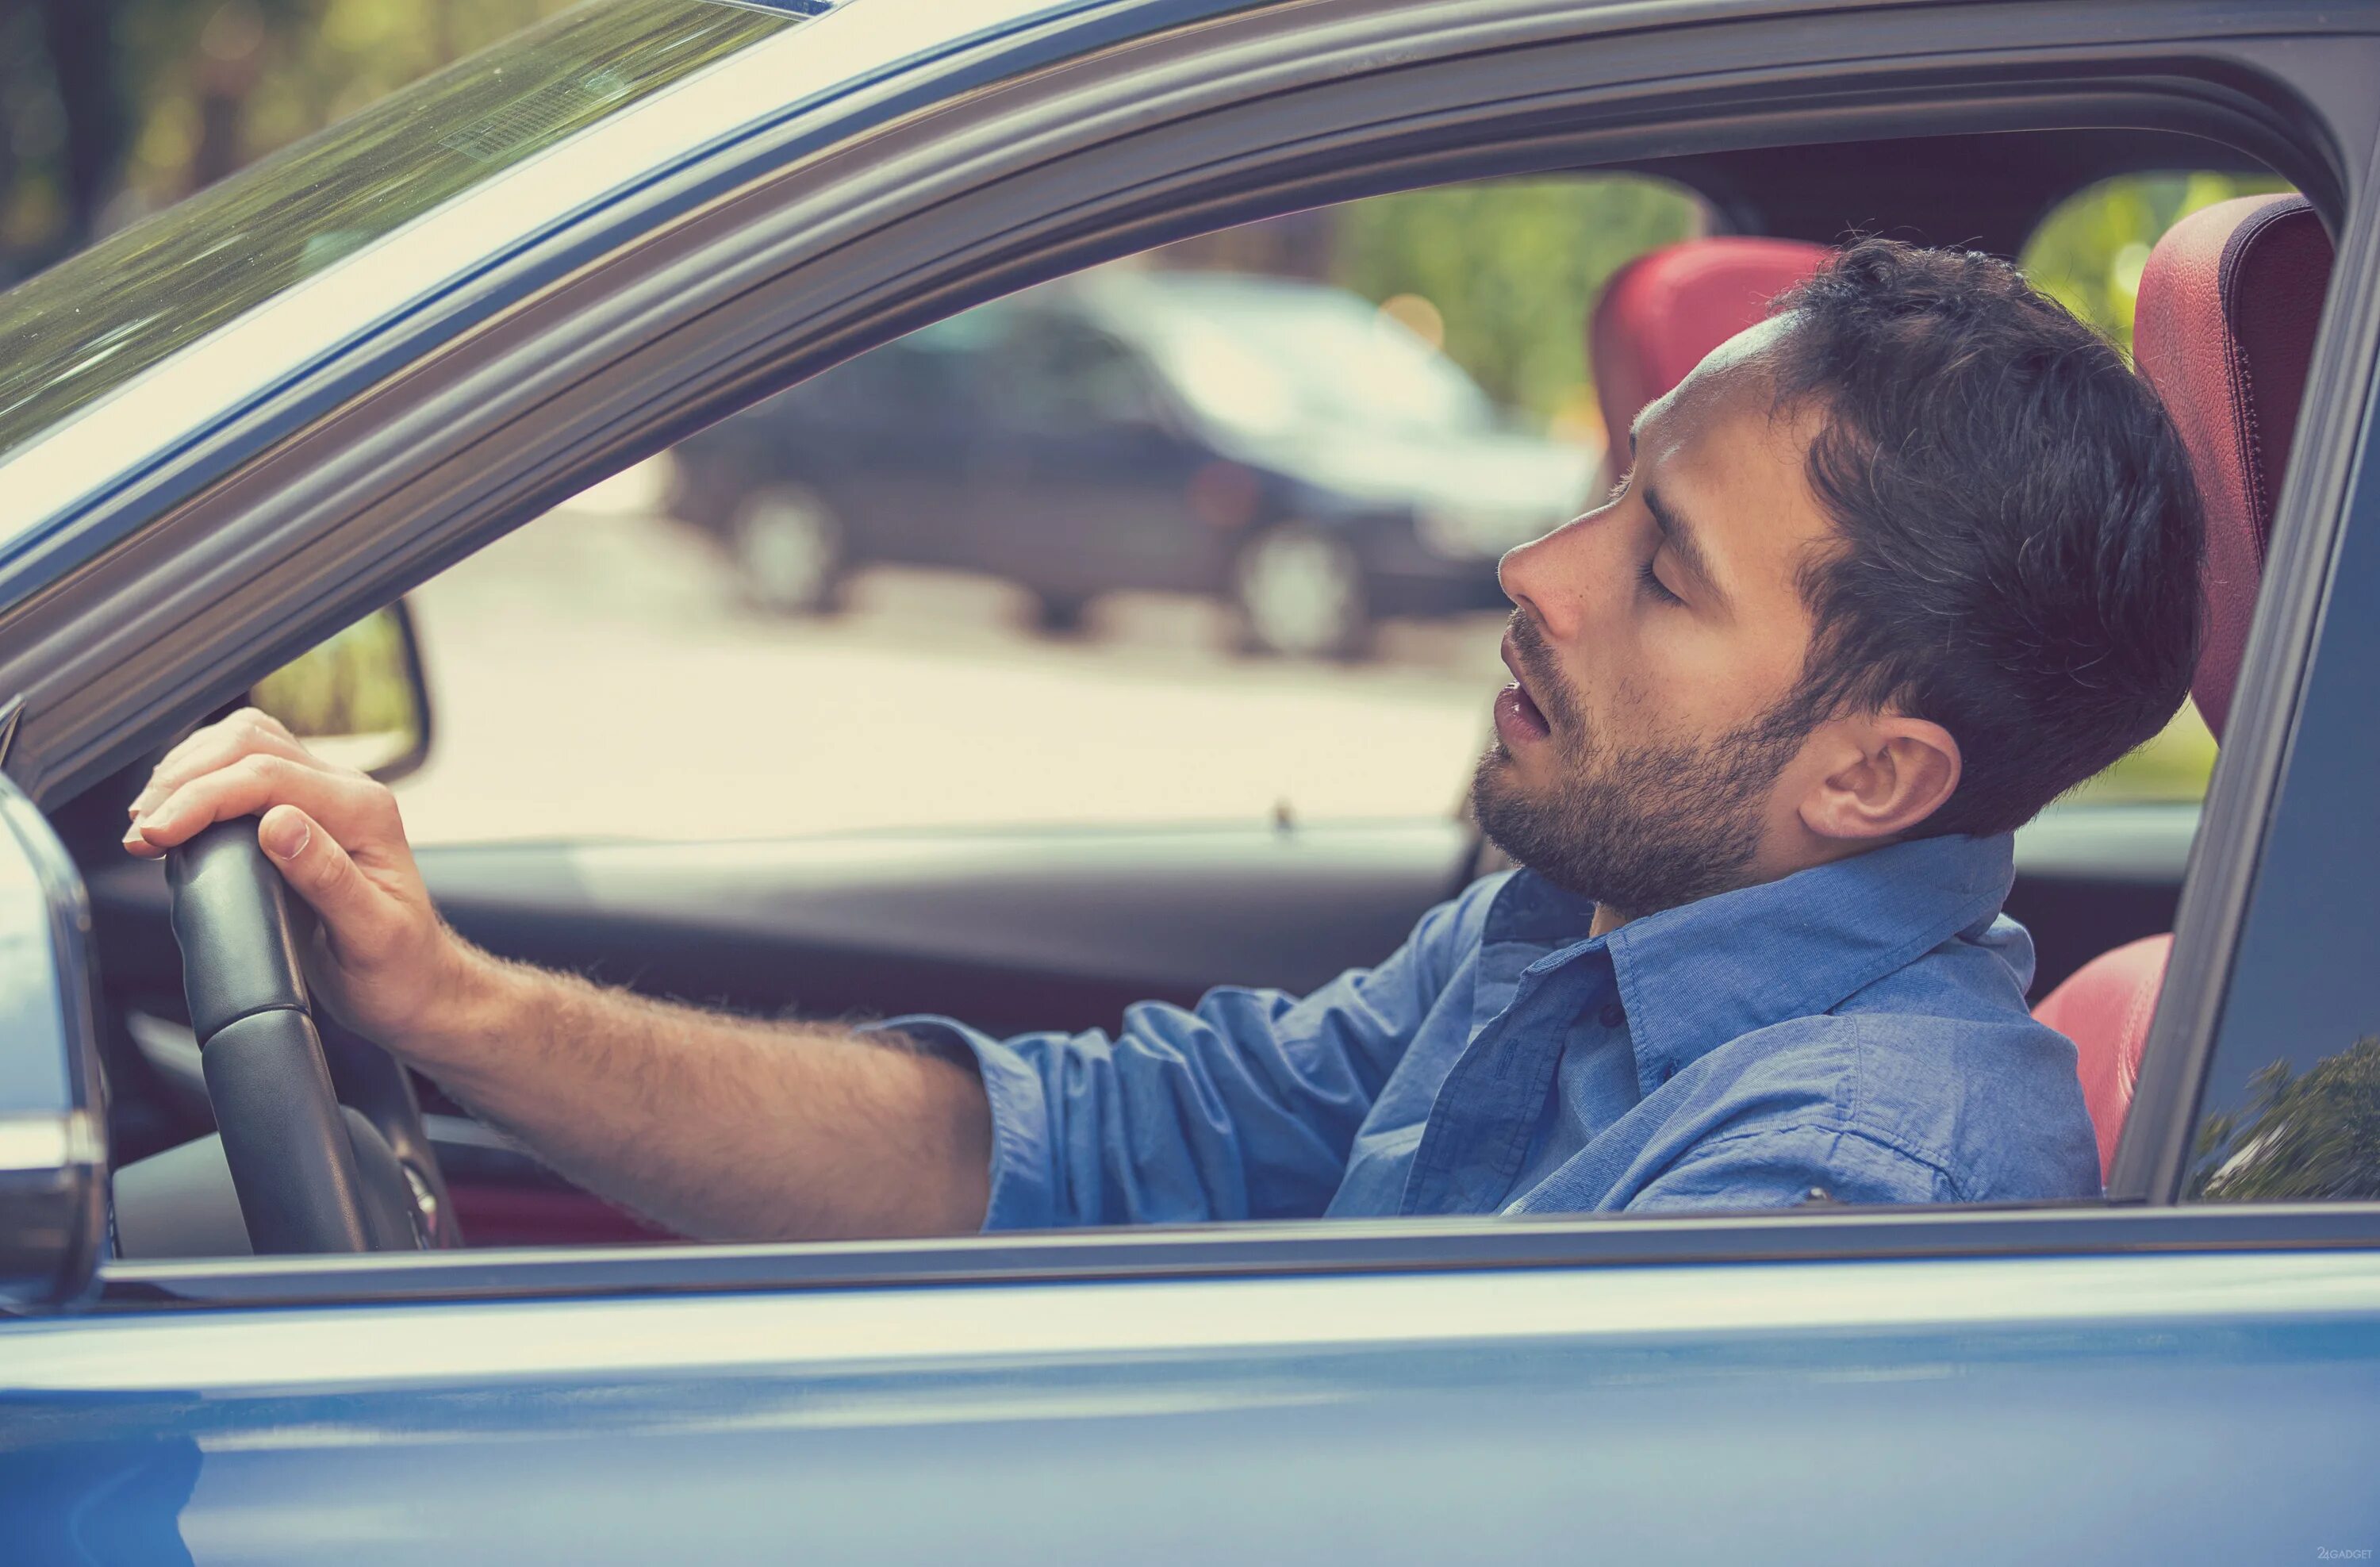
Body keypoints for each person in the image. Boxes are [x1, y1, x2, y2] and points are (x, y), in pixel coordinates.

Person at [121, 240, 2202, 1240]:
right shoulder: (1564, 933)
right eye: (1604, 489)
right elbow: (1056, 1156)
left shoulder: (1836, 1198)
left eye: (1660, 572)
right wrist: (458, 1006)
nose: (1536, 570)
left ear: (1871, 777)